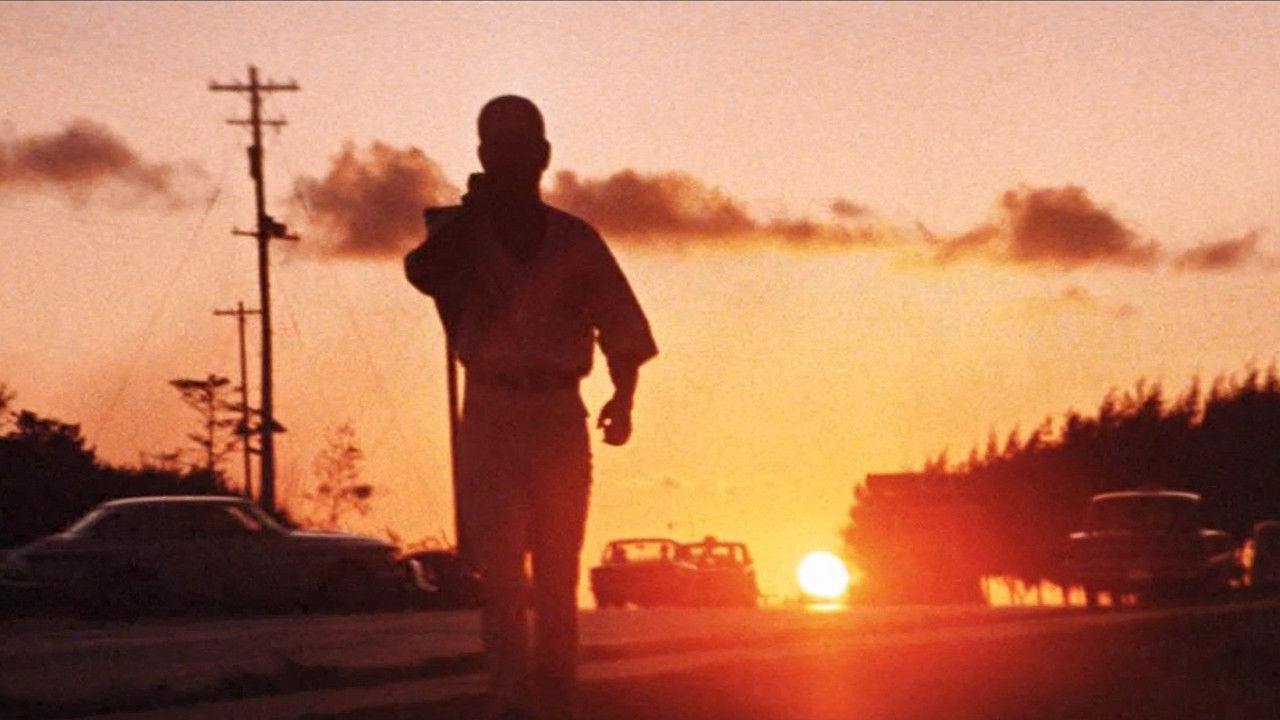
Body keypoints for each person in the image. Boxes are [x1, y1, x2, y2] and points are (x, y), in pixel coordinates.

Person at [404, 95, 657, 720]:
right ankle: (512, 703)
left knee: (556, 571)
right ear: (484, 156)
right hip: (490, 408)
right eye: (498, 150)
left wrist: (623, 398)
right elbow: (423, 272)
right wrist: (474, 214)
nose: (511, 161)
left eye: (521, 149)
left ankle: (556, 697)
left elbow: (620, 324)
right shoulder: (460, 234)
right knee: (501, 575)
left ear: (542, 156)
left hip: (557, 410)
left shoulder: (574, 240)